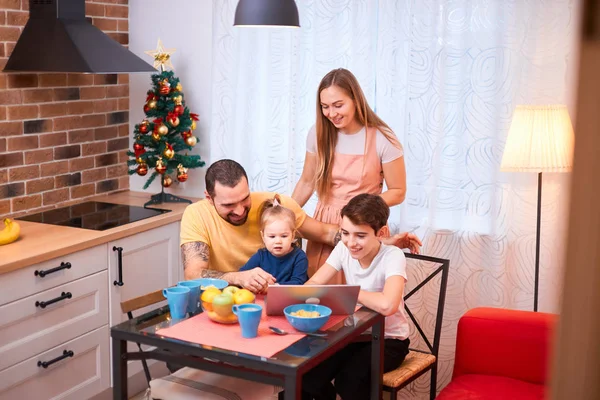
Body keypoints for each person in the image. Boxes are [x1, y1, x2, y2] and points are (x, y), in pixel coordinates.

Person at [180, 159, 420, 293]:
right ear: (209, 198)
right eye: (229, 205)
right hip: (223, 298)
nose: (241, 210)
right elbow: (193, 274)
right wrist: (238, 277)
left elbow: (327, 233)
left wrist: (381, 242)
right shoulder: (196, 214)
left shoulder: (273, 204)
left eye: (245, 199)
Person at [292, 68, 407, 282]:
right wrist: (286, 214)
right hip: (324, 226)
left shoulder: (382, 138)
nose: (331, 113)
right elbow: (307, 182)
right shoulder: (318, 133)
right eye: (325, 107)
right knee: (319, 293)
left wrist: (362, 208)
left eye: (338, 105)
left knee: (360, 294)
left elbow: (398, 192)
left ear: (355, 99)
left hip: (362, 225)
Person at [297, 193, 410, 400]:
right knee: (306, 376)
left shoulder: (393, 256)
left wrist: (350, 293)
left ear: (381, 233)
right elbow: (313, 284)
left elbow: (387, 305)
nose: (350, 242)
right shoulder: (343, 248)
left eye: (360, 235)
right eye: (345, 233)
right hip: (353, 336)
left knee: (350, 380)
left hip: (390, 341)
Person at [239, 195, 308, 286]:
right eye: (272, 236)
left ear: (292, 235)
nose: (278, 241)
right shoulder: (261, 256)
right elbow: (243, 275)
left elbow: (298, 283)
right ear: (263, 236)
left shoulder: (299, 257)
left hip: (291, 297)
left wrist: (275, 287)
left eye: (284, 236)